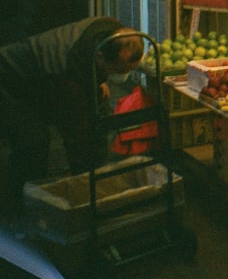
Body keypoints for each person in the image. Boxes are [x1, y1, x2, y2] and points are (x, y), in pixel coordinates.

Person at [0, 17, 145, 220]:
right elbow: (77, 135)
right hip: (11, 80)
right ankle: (21, 209)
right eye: (117, 71)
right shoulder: (69, 80)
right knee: (33, 139)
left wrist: (99, 80)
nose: (120, 76)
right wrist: (88, 182)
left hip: (46, 78)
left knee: (95, 110)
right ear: (100, 57)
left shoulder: (111, 31)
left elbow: (94, 73)